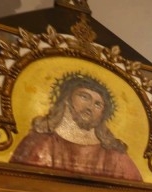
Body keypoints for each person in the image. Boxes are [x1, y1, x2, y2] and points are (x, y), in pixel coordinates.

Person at [10, 73, 143, 181]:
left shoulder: (114, 155)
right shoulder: (40, 142)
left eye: (98, 104)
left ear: (103, 114)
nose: (90, 107)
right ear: (67, 99)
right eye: (84, 97)